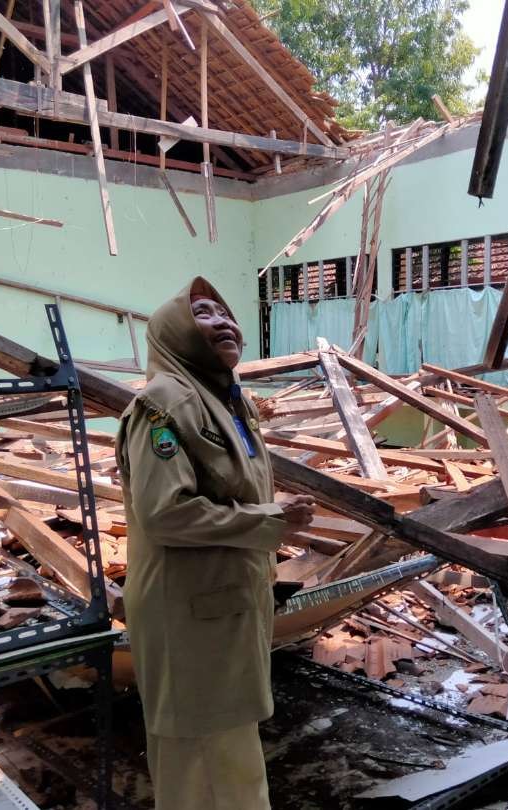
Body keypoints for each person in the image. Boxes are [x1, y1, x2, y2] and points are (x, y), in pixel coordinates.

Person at [116, 277, 315, 810]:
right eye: (203, 312)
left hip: (225, 601)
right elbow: (164, 513)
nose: (224, 320)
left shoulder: (226, 402)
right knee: (198, 757)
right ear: (175, 330)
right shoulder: (162, 406)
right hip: (187, 609)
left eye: (226, 312)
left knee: (230, 748)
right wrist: (271, 519)